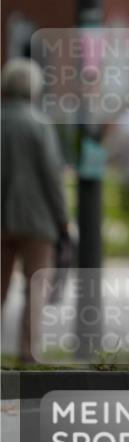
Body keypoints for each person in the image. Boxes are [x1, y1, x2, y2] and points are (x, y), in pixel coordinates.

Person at [1, 59, 69, 363]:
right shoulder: (39, 125)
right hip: (38, 221)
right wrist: (63, 219)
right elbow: (52, 177)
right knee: (36, 288)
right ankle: (29, 353)